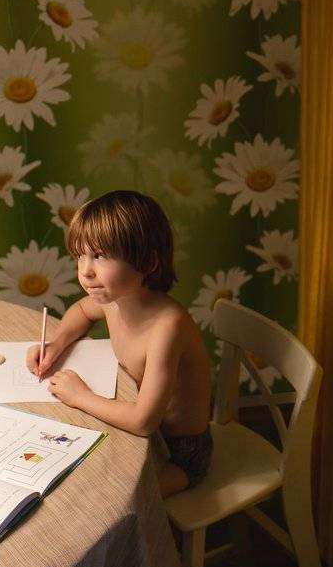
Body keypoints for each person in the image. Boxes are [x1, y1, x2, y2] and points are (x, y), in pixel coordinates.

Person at [27, 190, 212, 497]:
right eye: (80, 255)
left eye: (100, 256)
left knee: (106, 497)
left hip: (180, 453)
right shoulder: (116, 299)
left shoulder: (168, 326)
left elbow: (143, 421)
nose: (85, 271)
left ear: (147, 261)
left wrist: (80, 396)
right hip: (144, 434)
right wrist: (56, 344)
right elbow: (82, 311)